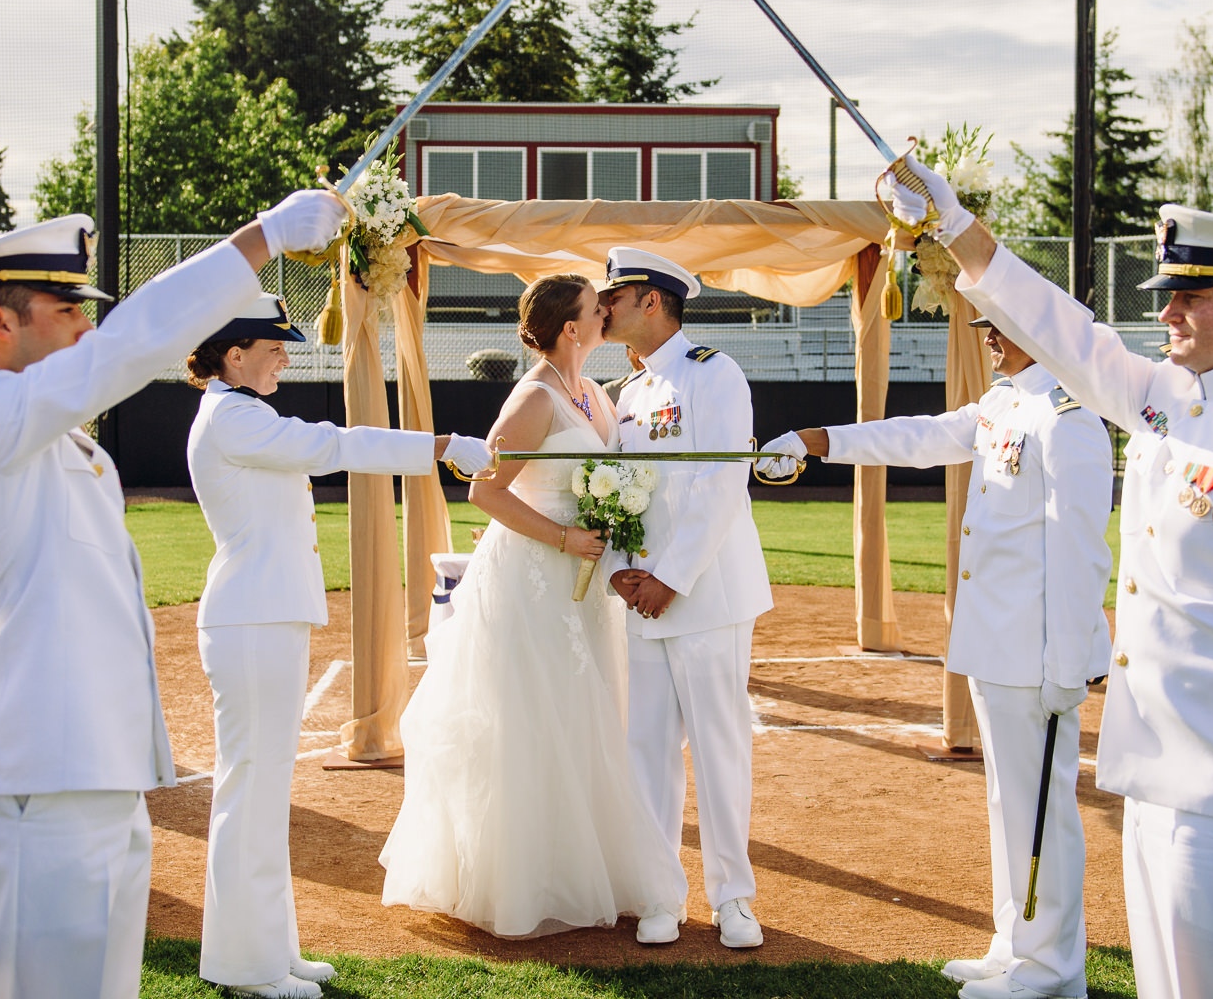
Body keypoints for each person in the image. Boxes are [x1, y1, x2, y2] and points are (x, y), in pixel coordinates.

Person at [890, 157, 1213, 999]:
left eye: (1191, 295)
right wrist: (955, 226)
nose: (1167, 310)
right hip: (1153, 778)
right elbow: (1067, 332)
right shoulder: (1170, 401)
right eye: (1170, 292)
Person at [0, 192, 359, 999]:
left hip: (90, 764)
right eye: (65, 307)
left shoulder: (54, 436)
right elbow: (124, 347)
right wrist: (258, 242)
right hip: (34, 765)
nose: (87, 325)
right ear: (0, 325)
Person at [762, 312, 1113, 999]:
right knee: (1008, 802)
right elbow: (921, 436)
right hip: (996, 641)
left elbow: (1080, 550)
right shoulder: (1007, 401)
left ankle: (1052, 973)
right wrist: (818, 440)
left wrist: (1068, 664)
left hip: (1038, 650)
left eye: (1000, 324)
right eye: (984, 323)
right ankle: (1015, 944)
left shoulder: (1067, 416)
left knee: (1041, 810)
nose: (986, 335)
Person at [187, 294, 489, 997]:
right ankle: (247, 968)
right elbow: (335, 444)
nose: (284, 358)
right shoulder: (234, 417)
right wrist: (439, 447)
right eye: (273, 347)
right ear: (234, 355)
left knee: (261, 794)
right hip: (252, 621)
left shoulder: (239, 414)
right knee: (251, 794)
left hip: (264, 617)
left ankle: (272, 952)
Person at [381, 274, 681, 940]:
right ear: (570, 329)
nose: (605, 316)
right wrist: (566, 537)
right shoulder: (535, 396)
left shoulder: (596, 395)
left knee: (585, 717)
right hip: (530, 580)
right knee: (531, 720)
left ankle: (587, 866)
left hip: (583, 586)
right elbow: (484, 494)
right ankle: (521, 880)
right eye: (593, 311)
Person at [597, 247, 774, 950]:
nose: (603, 306)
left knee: (719, 747)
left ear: (652, 300)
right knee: (646, 750)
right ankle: (661, 892)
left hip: (705, 595)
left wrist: (669, 577)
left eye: (616, 294)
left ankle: (734, 897)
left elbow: (722, 483)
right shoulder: (628, 393)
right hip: (644, 599)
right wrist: (619, 568)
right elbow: (608, 491)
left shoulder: (714, 373)